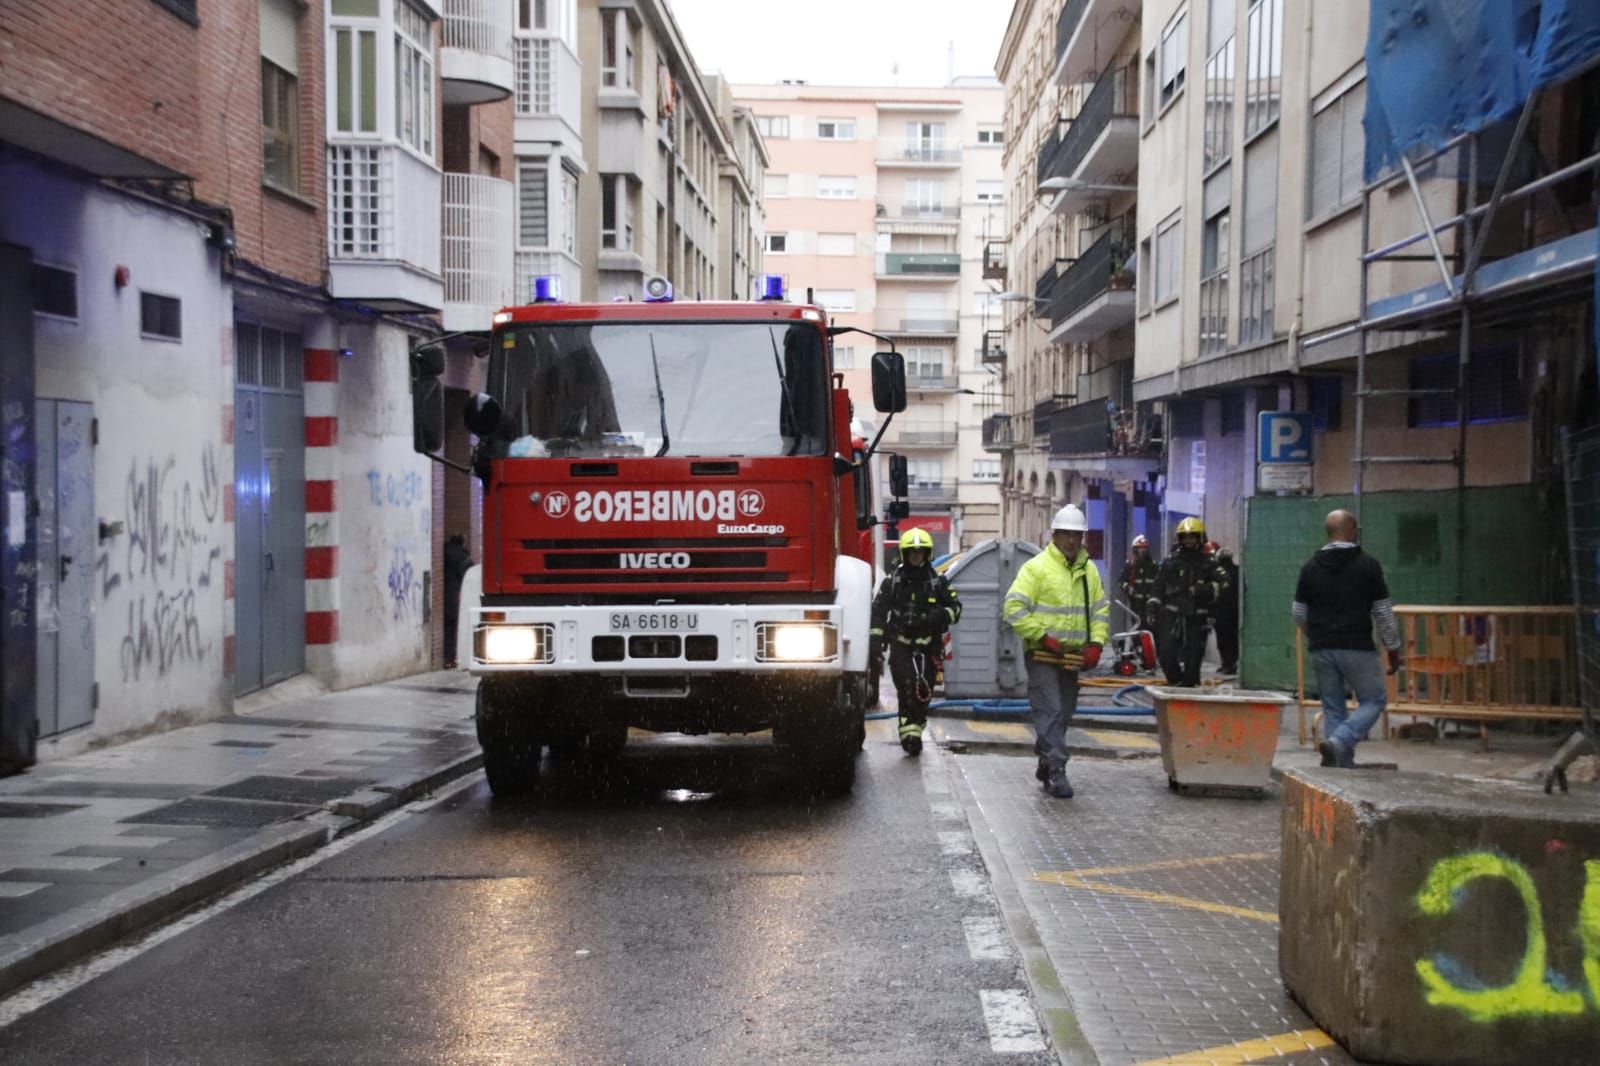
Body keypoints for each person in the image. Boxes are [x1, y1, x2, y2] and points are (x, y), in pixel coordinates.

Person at [1002, 504, 1110, 799]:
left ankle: (1046, 755)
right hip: (1043, 656)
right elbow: (1013, 607)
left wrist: (1097, 644)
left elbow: (1099, 611)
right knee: (1051, 710)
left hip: (1073, 656)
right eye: (1065, 535)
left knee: (1064, 713)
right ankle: (1057, 771)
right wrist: (1041, 636)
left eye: (1076, 535)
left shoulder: (1089, 571)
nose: (1071, 541)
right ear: (1055, 535)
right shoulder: (1037, 568)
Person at [1292, 509, 1403, 768]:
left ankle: (1339, 767)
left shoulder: (1310, 567)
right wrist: (1393, 647)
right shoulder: (1367, 564)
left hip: (1321, 648)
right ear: (1351, 529)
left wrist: (1315, 634)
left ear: (1329, 532)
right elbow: (1382, 611)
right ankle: (1341, 740)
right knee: (1374, 700)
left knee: (1333, 706)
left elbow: (1298, 611)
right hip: (1357, 645)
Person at [870, 528, 961, 756]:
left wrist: (935, 617)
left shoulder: (937, 582)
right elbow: (878, 611)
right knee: (907, 689)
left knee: (924, 692)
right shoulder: (894, 581)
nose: (916, 557)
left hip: (929, 647)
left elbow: (956, 608)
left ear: (926, 554)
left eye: (920, 553)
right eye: (912, 553)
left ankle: (916, 726)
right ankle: (909, 736)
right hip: (902, 645)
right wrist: (875, 643)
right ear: (905, 554)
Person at [1147, 517, 1228, 687]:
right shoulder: (1171, 562)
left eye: (1192, 537)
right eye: (1185, 537)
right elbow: (1158, 585)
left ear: (1200, 538)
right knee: (1166, 653)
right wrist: (1153, 606)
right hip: (1172, 613)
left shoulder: (1208, 562)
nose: (1188, 541)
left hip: (1197, 616)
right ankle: (1175, 680)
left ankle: (1189, 686)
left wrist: (1201, 590)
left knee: (1193, 655)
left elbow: (1225, 583)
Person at [442, 533, 474, 668]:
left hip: (444, 593)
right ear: (462, 543)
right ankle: (452, 657)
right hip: (456, 595)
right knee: (454, 627)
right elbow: (468, 579)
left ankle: (446, 658)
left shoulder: (443, 552)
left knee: (447, 627)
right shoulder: (464, 558)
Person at [1118, 534, 1158, 629]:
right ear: (1135, 550)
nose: (1142, 551)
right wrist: (1128, 588)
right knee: (1137, 629)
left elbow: (1158, 583)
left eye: (1144, 548)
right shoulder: (1130, 565)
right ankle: (1136, 643)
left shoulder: (1153, 566)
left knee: (1152, 630)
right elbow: (1121, 581)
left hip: (1150, 605)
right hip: (1136, 605)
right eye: (1140, 548)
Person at [1212, 545, 1240, 674]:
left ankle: (1227, 663)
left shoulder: (1218, 573)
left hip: (1221, 611)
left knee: (1223, 638)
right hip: (1235, 611)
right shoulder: (1238, 571)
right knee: (1233, 638)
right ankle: (1231, 663)